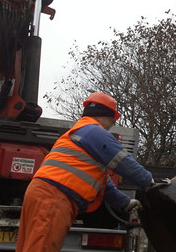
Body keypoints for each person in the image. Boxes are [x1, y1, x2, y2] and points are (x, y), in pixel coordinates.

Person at [16, 92, 164, 252]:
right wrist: (151, 184)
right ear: (104, 115)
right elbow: (123, 162)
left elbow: (102, 182)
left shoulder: (79, 133)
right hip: (54, 198)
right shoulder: (94, 132)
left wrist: (125, 202)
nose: (112, 124)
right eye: (112, 119)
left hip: (42, 194)